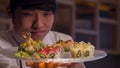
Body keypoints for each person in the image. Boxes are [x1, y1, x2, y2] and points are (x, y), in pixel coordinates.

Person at [0, 0, 86, 68]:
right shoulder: (2, 44)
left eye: (46, 14)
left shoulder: (63, 41)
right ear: (10, 13)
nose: (38, 24)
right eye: (28, 14)